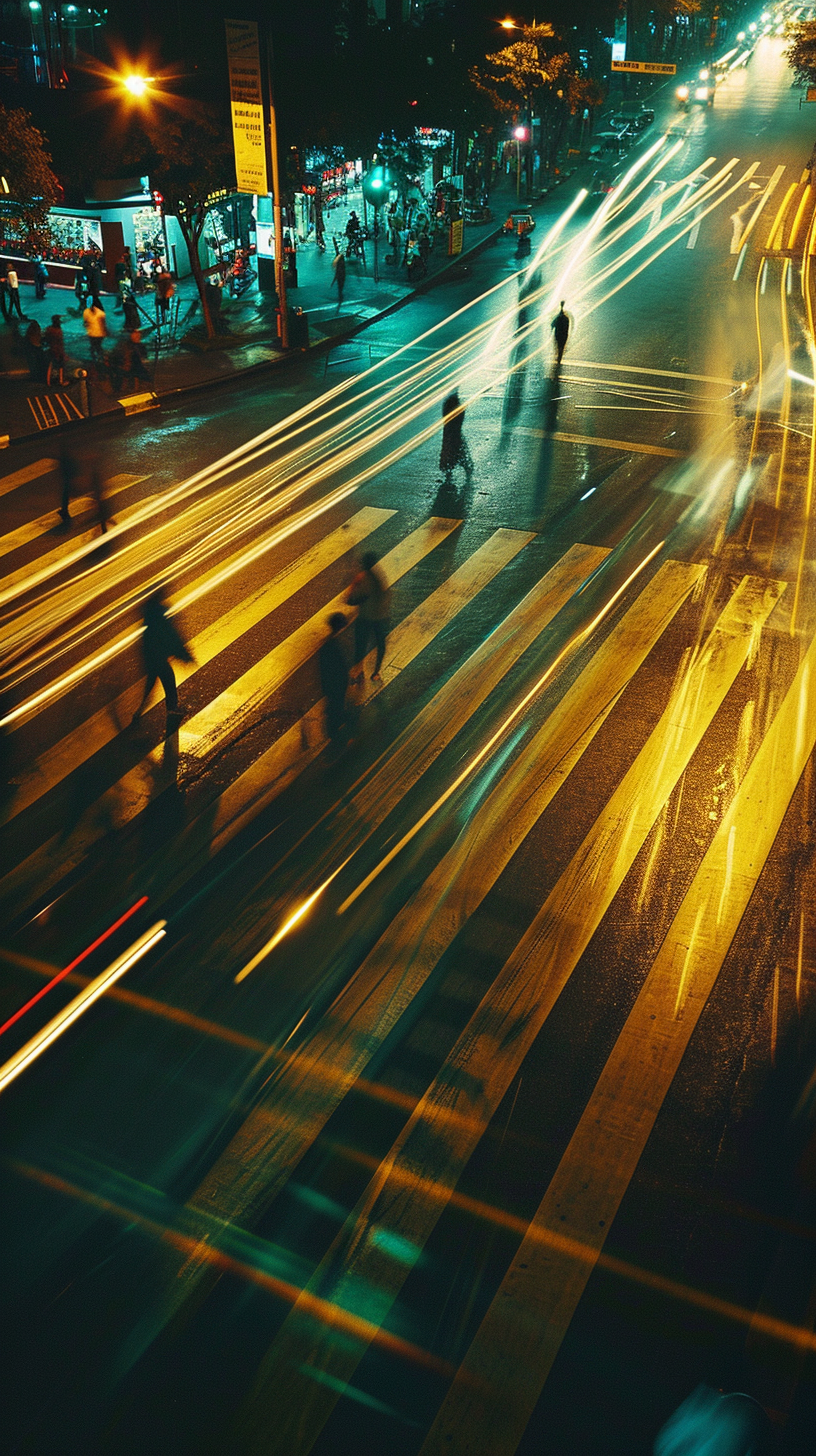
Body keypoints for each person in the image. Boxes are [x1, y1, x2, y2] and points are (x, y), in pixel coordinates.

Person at [131, 589, 193, 733]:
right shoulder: (161, 614)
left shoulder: (150, 614)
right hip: (158, 657)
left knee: (152, 685)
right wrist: (184, 655)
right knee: (168, 682)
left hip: (150, 656)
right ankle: (171, 712)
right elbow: (171, 636)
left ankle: (139, 712)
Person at [346, 551, 391, 684]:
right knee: (380, 644)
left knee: (360, 645)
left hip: (366, 618)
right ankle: (376, 671)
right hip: (381, 617)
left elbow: (352, 600)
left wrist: (353, 585)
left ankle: (359, 671)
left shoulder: (364, 579)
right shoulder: (378, 576)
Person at [319, 612, 350, 744]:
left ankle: (335, 730)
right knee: (335, 707)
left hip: (332, 683)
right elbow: (337, 667)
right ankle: (334, 735)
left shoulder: (328, 644)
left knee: (335, 705)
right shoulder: (333, 645)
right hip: (336, 683)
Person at [439, 390, 473, 482]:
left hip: (451, 404)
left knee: (451, 433)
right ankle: (462, 460)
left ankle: (452, 462)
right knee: (454, 433)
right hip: (453, 403)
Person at [83, 295, 108, 372]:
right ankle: (99, 360)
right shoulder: (99, 313)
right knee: (96, 347)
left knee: (94, 347)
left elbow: (86, 322)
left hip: (95, 333)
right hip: (95, 333)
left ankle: (96, 360)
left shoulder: (88, 312)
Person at [44, 314, 66, 387]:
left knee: (50, 365)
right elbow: (60, 342)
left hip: (51, 348)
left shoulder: (49, 329)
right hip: (58, 350)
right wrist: (62, 353)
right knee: (61, 366)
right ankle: (61, 381)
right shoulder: (58, 331)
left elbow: (46, 338)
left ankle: (48, 382)